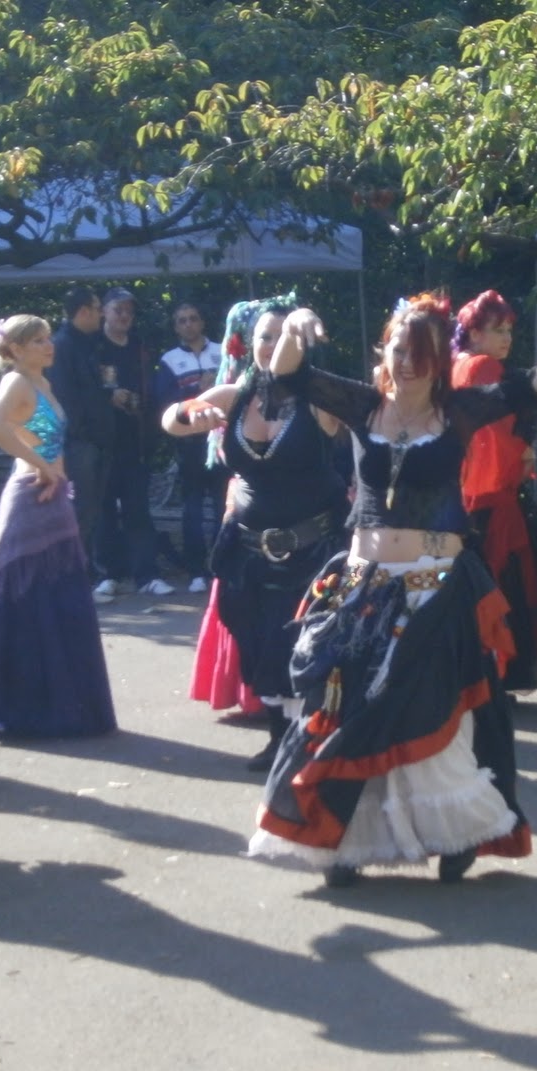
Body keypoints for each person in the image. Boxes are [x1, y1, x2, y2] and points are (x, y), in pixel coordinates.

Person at [248, 294, 537, 886]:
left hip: (434, 591)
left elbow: (532, 383)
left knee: (431, 712)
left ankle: (457, 832)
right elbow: (288, 373)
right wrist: (294, 327)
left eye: (422, 353)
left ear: (440, 360)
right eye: (399, 350)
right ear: (384, 352)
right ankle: (347, 839)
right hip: (361, 590)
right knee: (348, 713)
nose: (408, 363)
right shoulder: (363, 405)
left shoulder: (459, 411)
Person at [162, 294, 347, 770]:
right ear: (250, 343)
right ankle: (279, 738)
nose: (274, 344)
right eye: (266, 335)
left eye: (286, 336)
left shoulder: (319, 399)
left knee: (305, 649)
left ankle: (314, 742)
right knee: (260, 647)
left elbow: (370, 413)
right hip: (248, 553)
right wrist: (189, 412)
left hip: (314, 550)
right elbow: (171, 422)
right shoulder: (236, 396)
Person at [0, 315, 116, 739]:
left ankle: (60, 704)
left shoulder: (43, 384)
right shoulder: (17, 382)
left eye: (47, 338)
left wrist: (52, 471)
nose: (48, 345)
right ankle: (26, 707)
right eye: (37, 340)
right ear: (15, 349)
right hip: (31, 495)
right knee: (31, 593)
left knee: (59, 595)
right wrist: (40, 465)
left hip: (54, 496)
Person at [454, 289, 537, 693]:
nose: (506, 338)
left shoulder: (453, 366)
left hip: (461, 501)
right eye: (498, 330)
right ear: (474, 333)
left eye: (509, 330)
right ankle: (498, 675)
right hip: (492, 502)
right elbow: (494, 440)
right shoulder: (483, 366)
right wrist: (524, 454)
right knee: (504, 587)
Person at [92, 286, 174, 598]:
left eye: (129, 310)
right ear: (103, 312)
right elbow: (82, 389)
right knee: (103, 513)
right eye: (118, 309)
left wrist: (142, 407)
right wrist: (108, 397)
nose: (124, 316)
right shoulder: (93, 347)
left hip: (135, 443)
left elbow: (151, 392)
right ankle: (108, 574)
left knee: (138, 511)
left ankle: (147, 576)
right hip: (101, 444)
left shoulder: (140, 347)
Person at [153, 301, 225, 594]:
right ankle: (197, 571)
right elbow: (165, 402)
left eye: (193, 318)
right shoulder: (169, 360)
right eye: (182, 320)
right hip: (190, 444)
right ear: (176, 327)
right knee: (192, 508)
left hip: (221, 440)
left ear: (202, 322)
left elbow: (237, 388)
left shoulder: (222, 351)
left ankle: (221, 567)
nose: (188, 324)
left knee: (223, 505)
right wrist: (197, 390)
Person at [49, 286, 112, 565]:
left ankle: (77, 573)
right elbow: (65, 399)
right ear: (84, 311)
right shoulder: (62, 346)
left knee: (89, 515)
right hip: (78, 446)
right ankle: (66, 574)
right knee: (77, 515)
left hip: (92, 444)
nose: (102, 315)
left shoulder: (87, 344)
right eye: (98, 309)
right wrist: (86, 436)